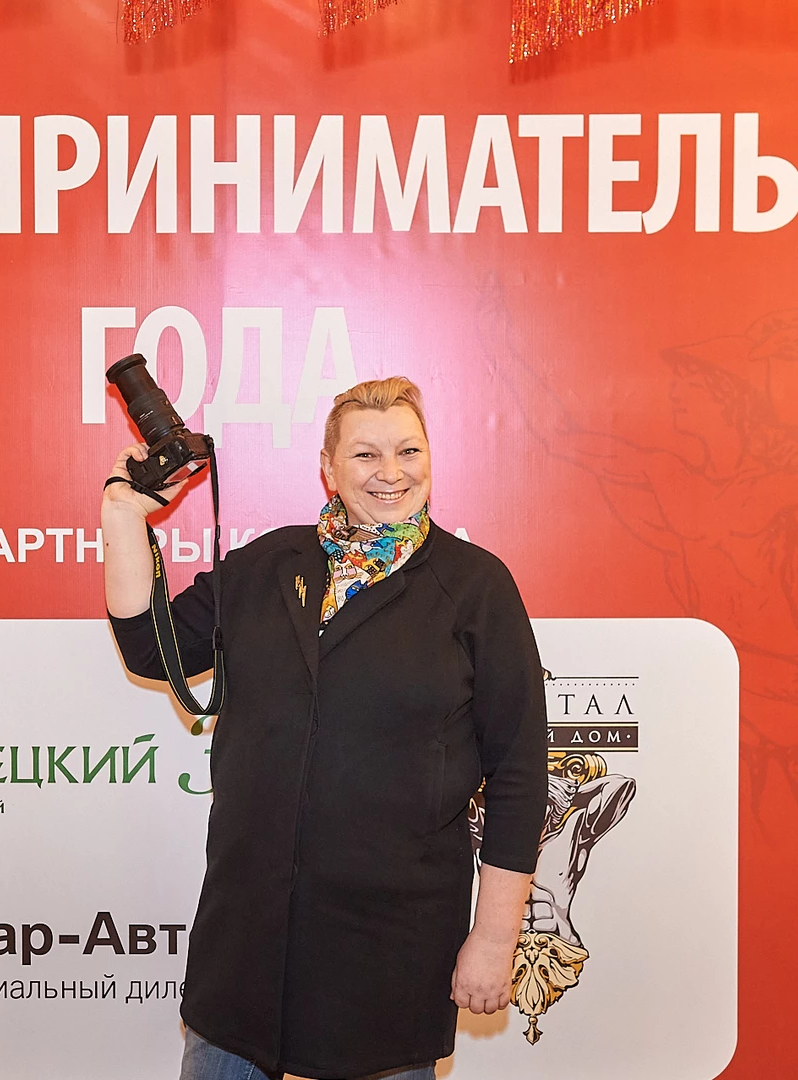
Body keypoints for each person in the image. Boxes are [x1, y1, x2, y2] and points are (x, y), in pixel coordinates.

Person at [103, 377, 547, 1080]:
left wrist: (494, 938)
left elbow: (519, 774)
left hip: (392, 945)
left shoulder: (475, 586)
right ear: (328, 468)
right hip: (247, 939)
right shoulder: (266, 566)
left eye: (408, 451)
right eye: (366, 454)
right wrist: (124, 513)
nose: (390, 472)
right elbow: (151, 650)